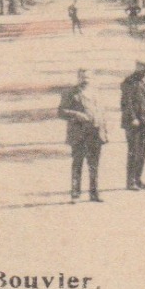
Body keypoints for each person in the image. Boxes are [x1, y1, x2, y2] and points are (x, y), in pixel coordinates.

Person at [58, 69, 107, 202]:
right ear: (78, 77)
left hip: (95, 134)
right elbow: (61, 112)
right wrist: (77, 115)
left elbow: (102, 113)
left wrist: (104, 133)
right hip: (78, 135)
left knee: (94, 165)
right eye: (83, 77)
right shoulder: (70, 93)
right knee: (77, 164)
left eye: (88, 77)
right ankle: (75, 194)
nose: (85, 80)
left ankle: (94, 193)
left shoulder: (96, 93)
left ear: (93, 79)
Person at [120, 60, 145, 190]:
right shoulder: (129, 82)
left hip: (144, 121)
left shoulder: (144, 81)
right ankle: (130, 182)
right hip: (133, 123)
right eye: (142, 67)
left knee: (142, 152)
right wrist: (133, 118)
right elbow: (126, 103)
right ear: (137, 67)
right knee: (133, 152)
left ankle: (138, 179)